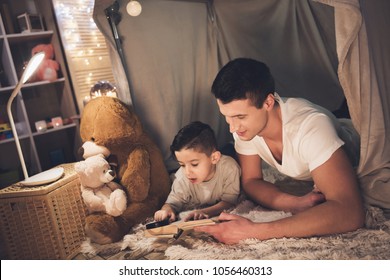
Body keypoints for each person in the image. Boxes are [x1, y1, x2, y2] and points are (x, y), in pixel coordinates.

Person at [195, 58, 364, 244]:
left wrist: (254, 231)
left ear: (268, 102)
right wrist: (294, 203)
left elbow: (350, 211)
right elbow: (251, 181)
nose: (232, 128)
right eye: (227, 117)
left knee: (353, 106)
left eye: (240, 117)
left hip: (356, 133)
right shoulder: (244, 129)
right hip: (318, 132)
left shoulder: (311, 127)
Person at [154, 121, 241, 222]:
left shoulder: (229, 168)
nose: (187, 172)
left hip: (225, 158)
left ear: (214, 158)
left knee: (231, 151)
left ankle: (229, 146)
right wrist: (166, 210)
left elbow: (229, 202)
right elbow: (171, 203)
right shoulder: (182, 177)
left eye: (194, 164)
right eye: (182, 164)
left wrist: (205, 211)